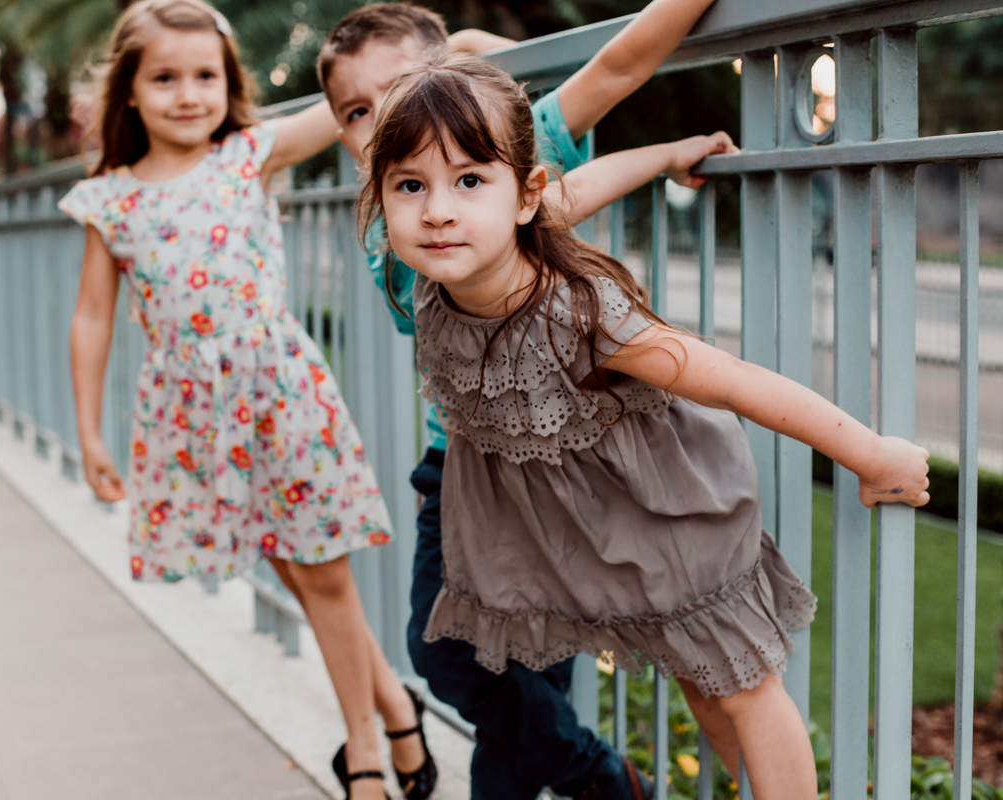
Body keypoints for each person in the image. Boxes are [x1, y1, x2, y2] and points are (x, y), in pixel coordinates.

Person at [359, 53, 933, 800]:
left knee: (737, 687)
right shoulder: (424, 275)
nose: (437, 209)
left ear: (527, 197)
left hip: (668, 513)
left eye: (469, 179)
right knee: (705, 696)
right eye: (410, 185)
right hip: (571, 532)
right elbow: (583, 186)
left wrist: (868, 451)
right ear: (382, 199)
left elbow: (731, 379)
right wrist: (663, 156)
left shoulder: (580, 313)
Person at [317, 3, 731, 798]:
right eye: (356, 113)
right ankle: (606, 779)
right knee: (443, 651)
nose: (380, 123)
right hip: (463, 469)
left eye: (402, 89)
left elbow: (614, 69)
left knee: (528, 664)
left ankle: (602, 782)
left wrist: (665, 145)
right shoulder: (396, 216)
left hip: (556, 473)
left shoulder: (503, 154)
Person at [59, 3, 434, 798]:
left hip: (276, 392)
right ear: (129, 91)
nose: (188, 94)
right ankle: (398, 706)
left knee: (323, 575)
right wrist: (89, 433)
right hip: (193, 417)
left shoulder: (250, 153)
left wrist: (457, 50)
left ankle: (364, 753)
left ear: (230, 86)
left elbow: (364, 101)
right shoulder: (109, 199)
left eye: (206, 76)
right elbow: (92, 318)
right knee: (296, 572)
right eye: (165, 77)